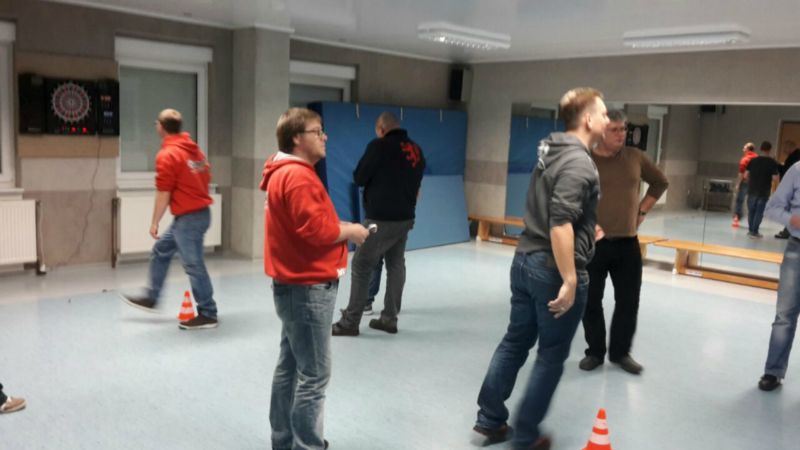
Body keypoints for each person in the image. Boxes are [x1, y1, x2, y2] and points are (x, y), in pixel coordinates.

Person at [472, 87, 608, 450]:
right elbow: (560, 223)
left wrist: (585, 228)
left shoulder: (550, 150)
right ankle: (527, 436)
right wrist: (570, 279)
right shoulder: (579, 163)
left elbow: (558, 211)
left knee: (515, 340)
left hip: (524, 260)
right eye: (604, 113)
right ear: (588, 119)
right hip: (551, 268)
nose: (608, 120)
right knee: (551, 355)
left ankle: (490, 419)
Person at [261, 107, 369, 449]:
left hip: (294, 285)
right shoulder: (298, 177)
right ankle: (307, 444)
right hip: (307, 288)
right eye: (317, 131)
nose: (325, 136)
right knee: (314, 375)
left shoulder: (284, 172)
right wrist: (351, 231)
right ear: (296, 138)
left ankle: (283, 440)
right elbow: (316, 231)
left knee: (291, 366)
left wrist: (339, 227)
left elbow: (306, 225)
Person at [578, 110, 669, 375]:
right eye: (615, 129)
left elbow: (660, 182)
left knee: (628, 301)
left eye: (624, 129)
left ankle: (620, 353)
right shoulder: (585, 159)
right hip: (593, 244)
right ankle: (595, 352)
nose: (621, 134)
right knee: (590, 300)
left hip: (627, 243)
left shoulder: (635, 157)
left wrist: (642, 210)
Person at [121, 109, 219, 330]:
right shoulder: (194, 150)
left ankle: (208, 313)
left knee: (193, 265)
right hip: (197, 214)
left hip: (189, 219)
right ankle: (152, 297)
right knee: (161, 250)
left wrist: (154, 221)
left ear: (161, 126)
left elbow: (163, 193)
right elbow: (206, 176)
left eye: (156, 122)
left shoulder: (168, 155)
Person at [332, 112, 425, 336]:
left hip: (380, 218)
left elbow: (359, 177)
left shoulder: (379, 146)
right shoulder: (416, 149)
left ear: (381, 129)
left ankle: (350, 322)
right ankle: (389, 318)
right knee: (396, 264)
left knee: (361, 264)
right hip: (405, 218)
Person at [758, 161, 800, 391]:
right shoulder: (797, 170)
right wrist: (793, 220)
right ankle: (773, 371)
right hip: (797, 250)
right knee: (785, 314)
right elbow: (772, 208)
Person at [744, 141, 781, 238]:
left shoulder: (753, 160)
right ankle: (754, 231)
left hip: (752, 189)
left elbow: (746, 175)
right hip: (764, 191)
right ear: (770, 150)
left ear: (760, 148)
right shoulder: (772, 162)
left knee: (751, 211)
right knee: (759, 212)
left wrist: (751, 181)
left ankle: (750, 231)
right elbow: (775, 178)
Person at [774, 140, 800, 239]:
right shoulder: (794, 156)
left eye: (785, 148)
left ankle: (787, 232)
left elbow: (787, 172)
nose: (784, 150)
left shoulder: (794, 157)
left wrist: (778, 165)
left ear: (790, 147)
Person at [732, 142, 758, 228]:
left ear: (747, 149)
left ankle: (737, 217)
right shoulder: (757, 158)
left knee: (740, 200)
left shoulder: (745, 159)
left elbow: (741, 174)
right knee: (752, 202)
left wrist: (738, 184)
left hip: (745, 182)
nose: (743, 149)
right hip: (755, 184)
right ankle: (753, 220)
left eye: (744, 148)